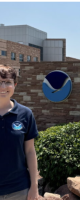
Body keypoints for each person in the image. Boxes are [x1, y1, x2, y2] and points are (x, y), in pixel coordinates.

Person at [0, 65, 39, 200]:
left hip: (18, 190)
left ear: (15, 84)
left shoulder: (25, 114)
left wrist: (34, 186)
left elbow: (30, 151)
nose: (3, 87)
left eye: (8, 82)